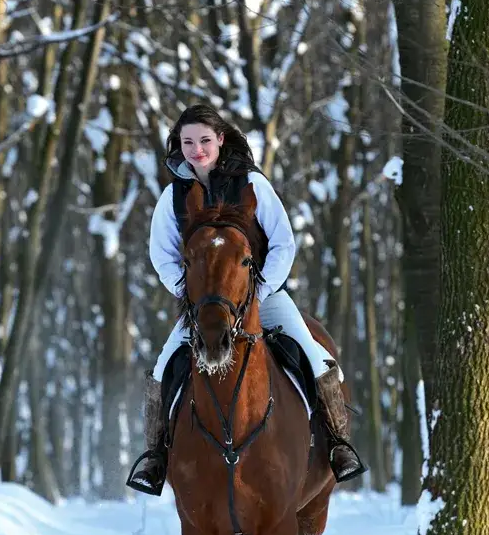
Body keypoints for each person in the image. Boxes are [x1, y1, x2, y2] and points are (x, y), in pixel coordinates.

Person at [127, 103, 366, 496]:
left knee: (313, 352)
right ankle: (155, 457)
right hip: (204, 306)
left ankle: (337, 444)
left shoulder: (253, 185)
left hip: (261, 296)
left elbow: (284, 243)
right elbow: (162, 255)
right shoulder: (173, 197)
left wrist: (258, 291)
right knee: (161, 369)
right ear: (179, 146)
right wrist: (191, 296)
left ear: (220, 140)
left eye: (204, 140)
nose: (197, 149)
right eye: (188, 142)